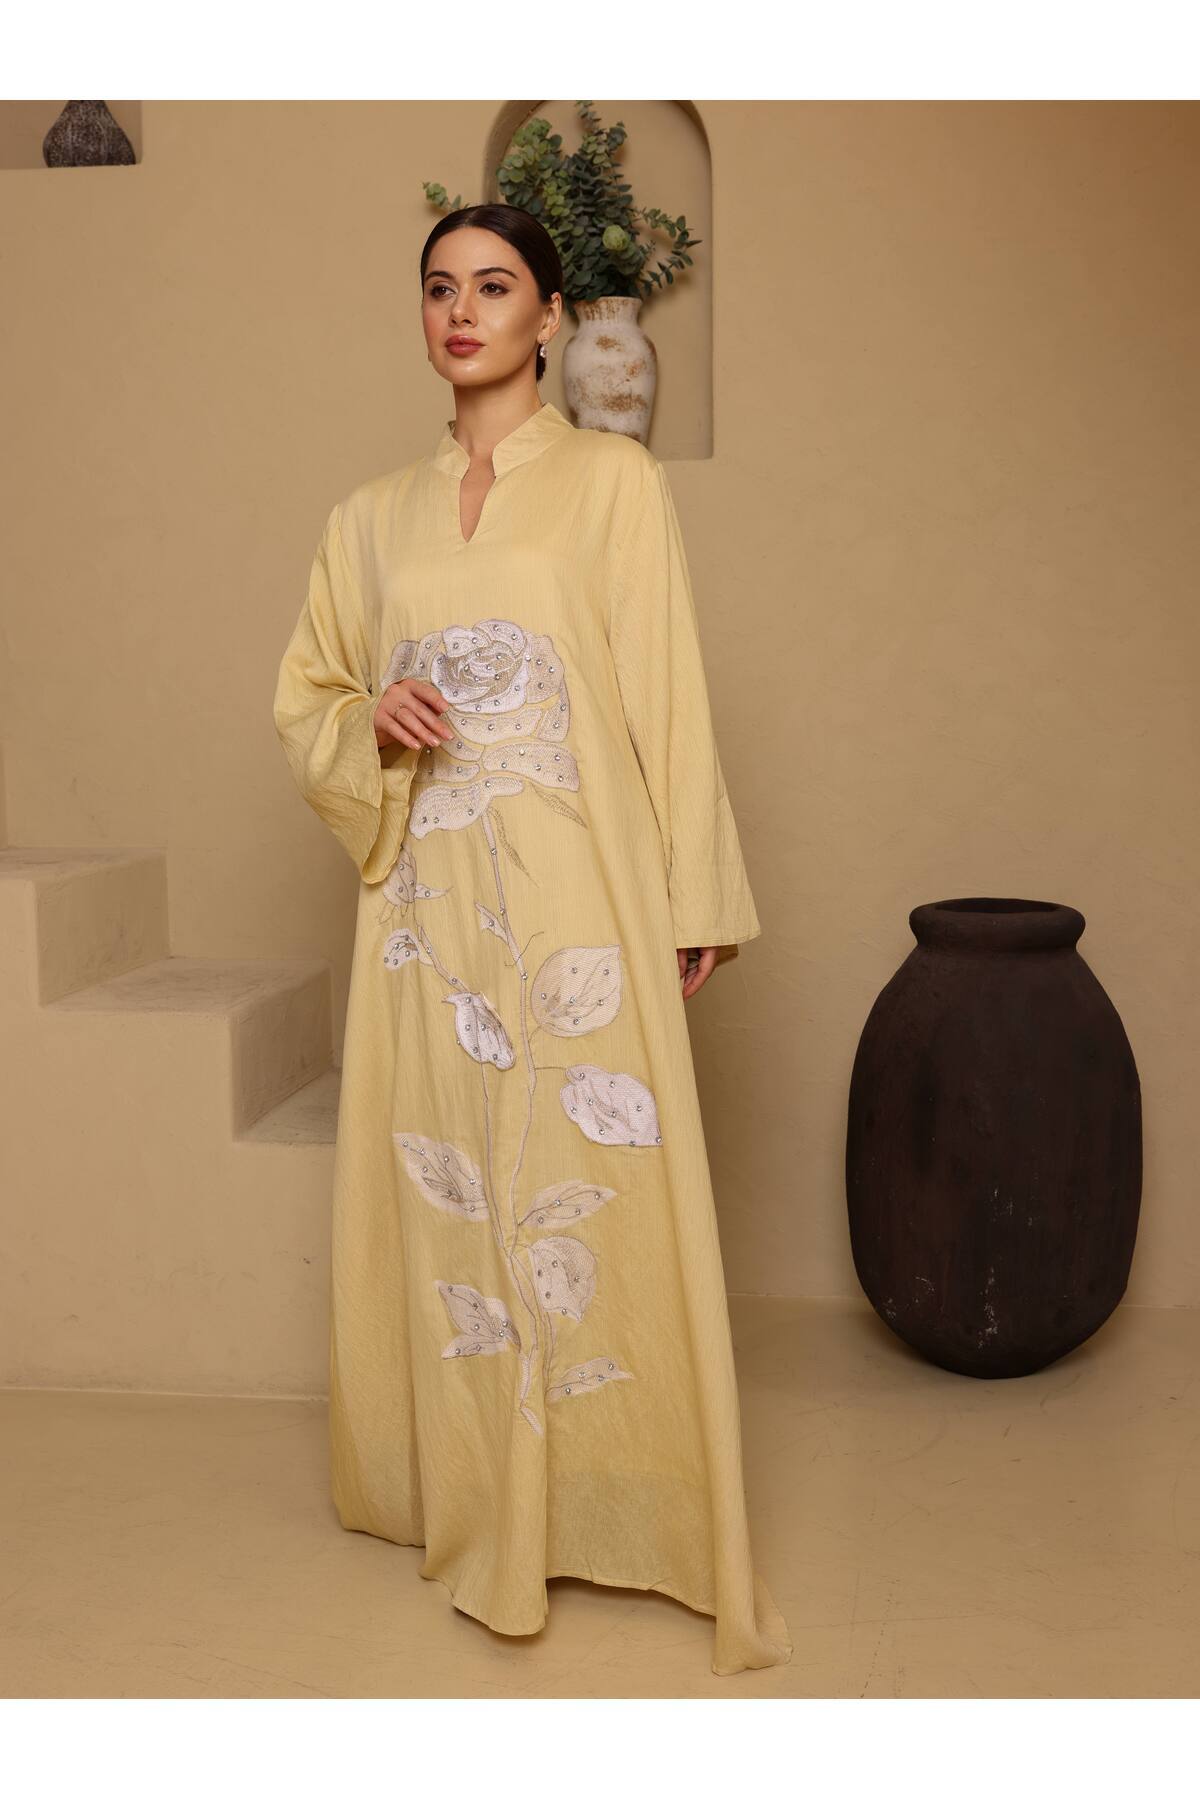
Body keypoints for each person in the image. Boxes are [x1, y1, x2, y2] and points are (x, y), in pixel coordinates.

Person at [272, 202, 792, 1676]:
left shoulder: (613, 483)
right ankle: (473, 1491)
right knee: (456, 1186)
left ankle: (620, 1501)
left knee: (589, 1183)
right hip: (427, 921)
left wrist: (694, 896)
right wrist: (369, 717)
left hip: (580, 893)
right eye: (440, 287)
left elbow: (664, 688)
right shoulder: (369, 517)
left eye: (494, 287)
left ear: (550, 317)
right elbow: (308, 695)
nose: (462, 311)